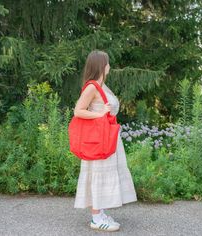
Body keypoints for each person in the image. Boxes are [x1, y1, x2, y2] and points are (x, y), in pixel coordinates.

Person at [73, 50, 137, 232]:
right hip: (98, 140)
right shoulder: (92, 86)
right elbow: (78, 111)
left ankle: (100, 213)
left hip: (107, 138)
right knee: (98, 173)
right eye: (107, 63)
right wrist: (100, 113)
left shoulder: (102, 85)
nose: (109, 66)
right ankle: (96, 218)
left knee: (105, 173)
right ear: (101, 65)